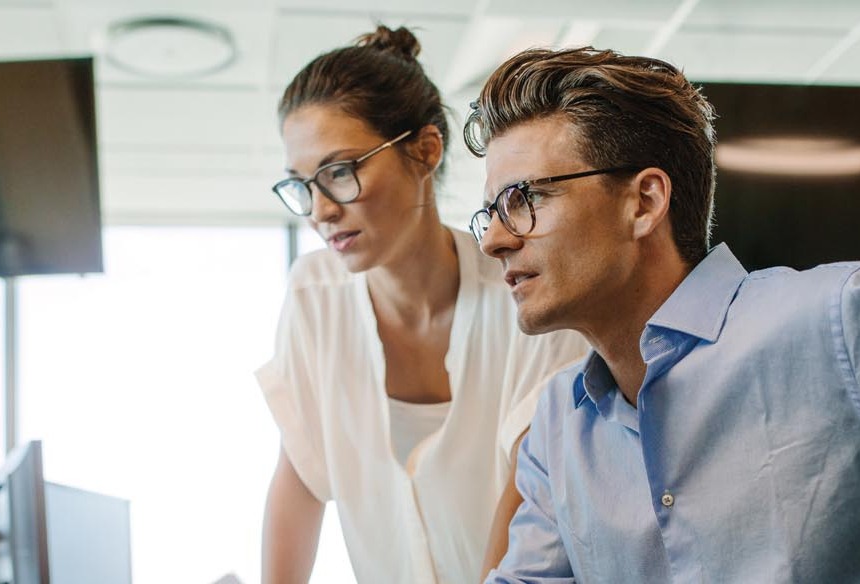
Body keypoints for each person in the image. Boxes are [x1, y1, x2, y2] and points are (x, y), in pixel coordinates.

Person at [464, 46, 860, 583]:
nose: (492, 240)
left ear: (645, 202)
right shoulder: (558, 423)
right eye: (490, 213)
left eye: (522, 199)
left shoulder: (835, 319)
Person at [254, 26, 588, 584]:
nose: (320, 210)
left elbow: (529, 495)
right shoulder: (314, 297)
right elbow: (301, 474)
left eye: (339, 172)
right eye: (302, 184)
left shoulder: (525, 296)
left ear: (426, 150)